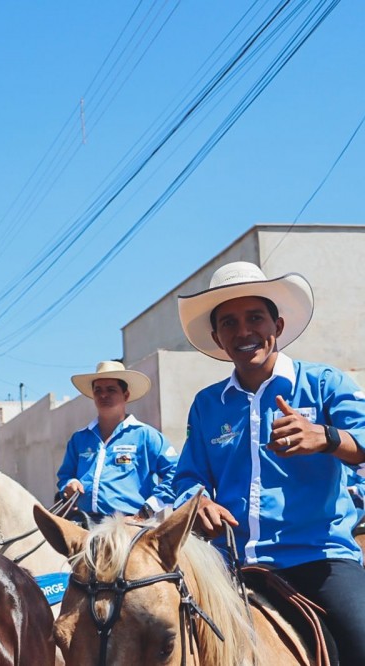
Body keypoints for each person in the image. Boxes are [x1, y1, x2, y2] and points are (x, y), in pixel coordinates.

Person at [173, 261, 365, 663]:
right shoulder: (207, 405)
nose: (243, 331)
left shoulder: (324, 383)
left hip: (319, 559)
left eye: (255, 318)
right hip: (230, 568)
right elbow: (187, 479)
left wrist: (326, 437)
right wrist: (199, 503)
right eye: (229, 323)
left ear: (276, 325)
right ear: (217, 337)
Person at [57, 360, 178, 521]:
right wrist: (70, 484)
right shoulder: (79, 439)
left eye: (111, 390)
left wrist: (148, 509)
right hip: (83, 523)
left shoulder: (146, 436)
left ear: (125, 395)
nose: (103, 395)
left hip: (129, 526)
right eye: (98, 390)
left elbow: (177, 472)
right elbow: (65, 476)